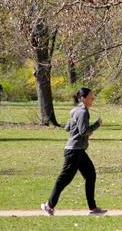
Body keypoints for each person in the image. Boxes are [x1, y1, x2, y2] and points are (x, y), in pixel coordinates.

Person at [41, 87, 106, 216]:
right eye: (90, 97)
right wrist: (97, 125)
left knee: (90, 174)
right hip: (74, 151)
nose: (92, 99)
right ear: (82, 99)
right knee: (64, 179)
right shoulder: (82, 112)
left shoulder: (76, 111)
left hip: (78, 150)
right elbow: (83, 131)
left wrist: (82, 129)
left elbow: (68, 128)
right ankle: (49, 205)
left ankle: (93, 208)